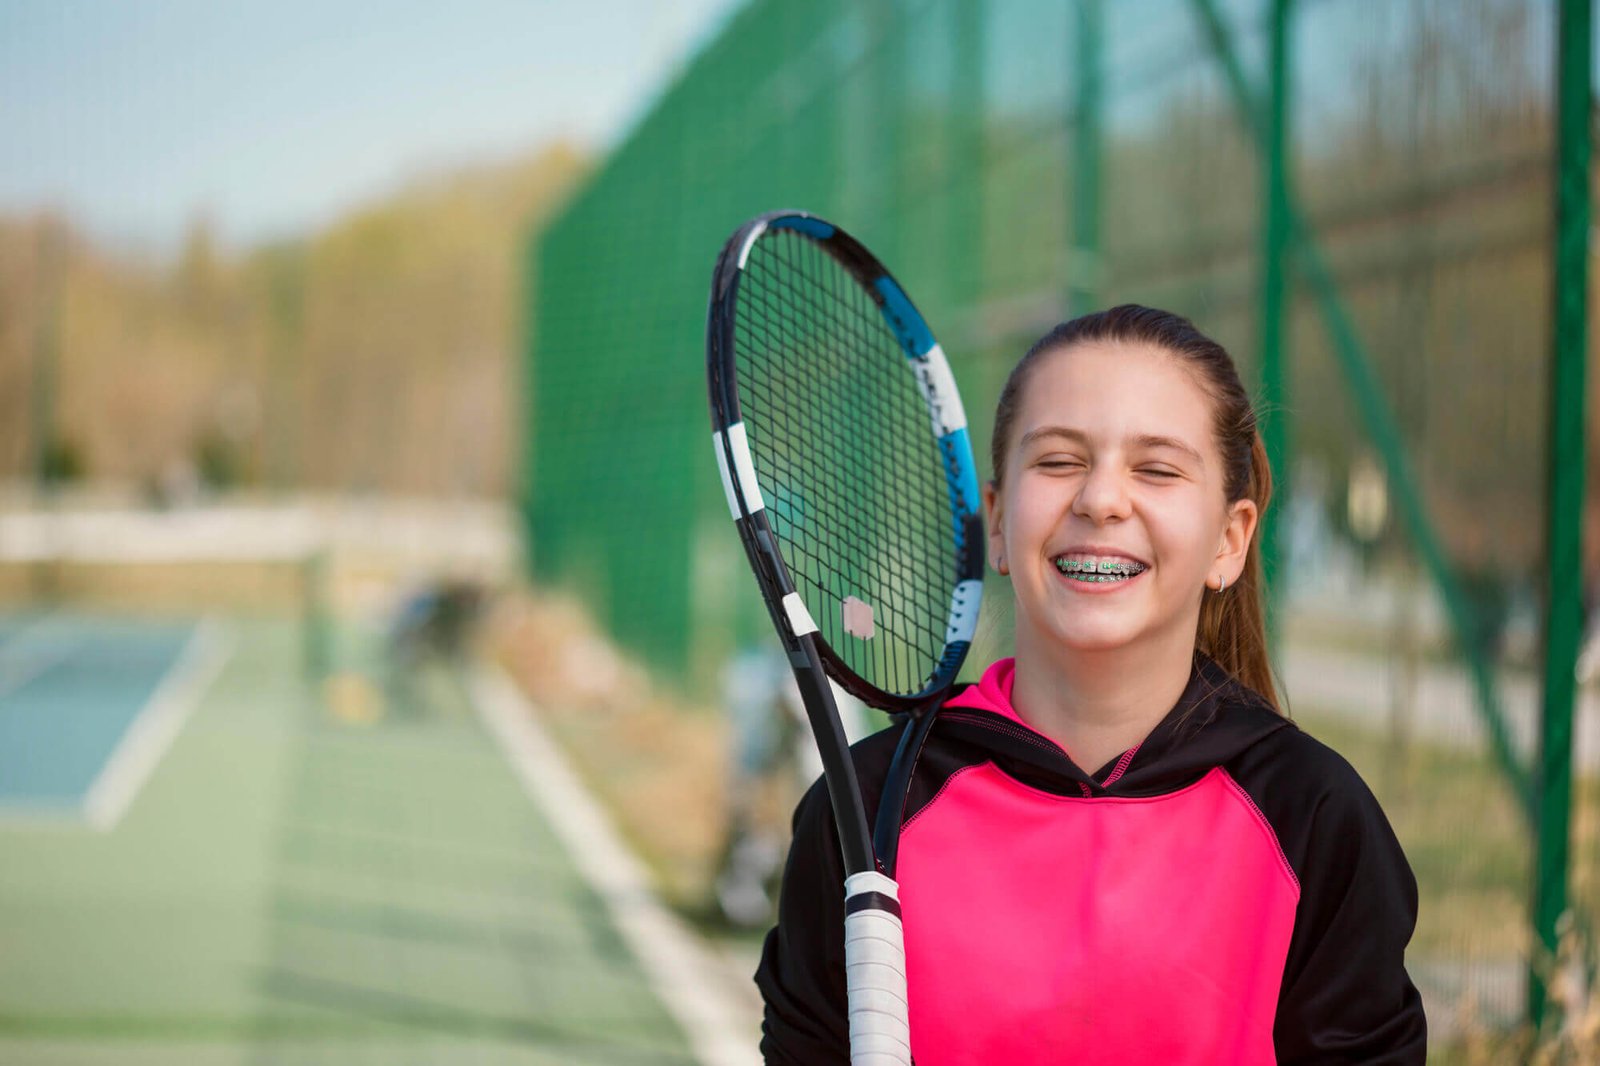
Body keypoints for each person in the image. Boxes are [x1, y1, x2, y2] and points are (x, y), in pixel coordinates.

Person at [755, 306, 1427, 1064]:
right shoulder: (869, 813)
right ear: (999, 523)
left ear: (1230, 541)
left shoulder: (1314, 816)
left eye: (1158, 469)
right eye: (1058, 461)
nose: (1101, 499)